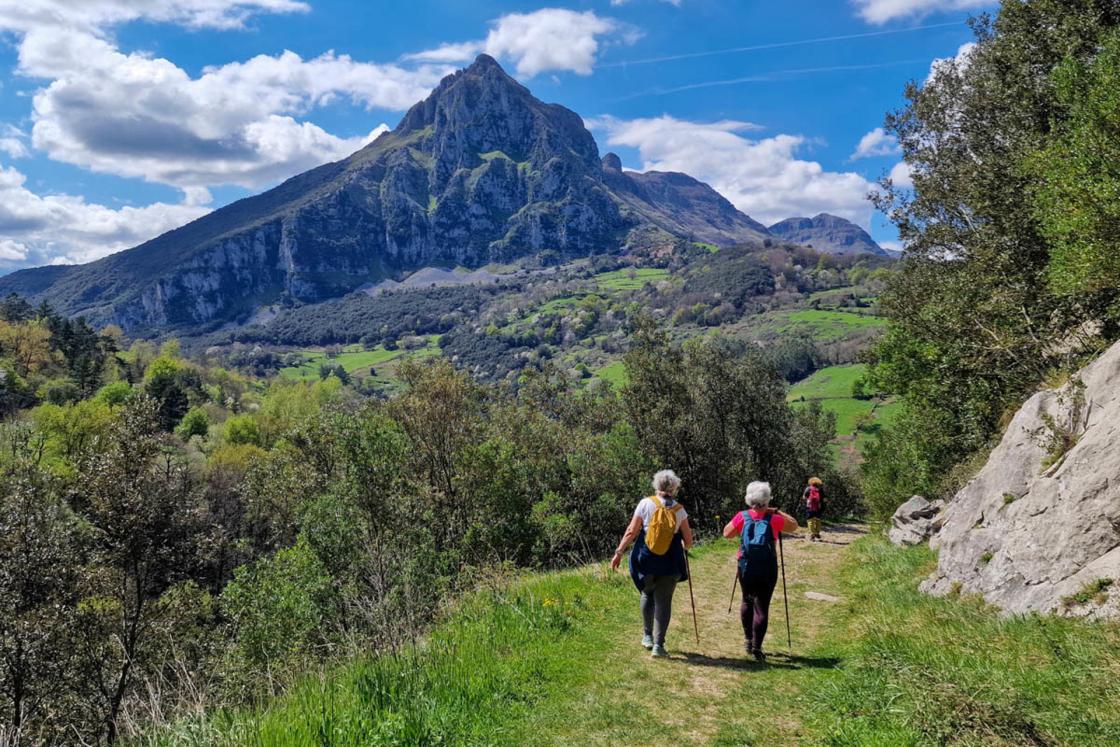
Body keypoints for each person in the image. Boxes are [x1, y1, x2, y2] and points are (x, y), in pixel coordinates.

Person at [611, 469, 693, 658]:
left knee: (647, 592)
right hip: (670, 560)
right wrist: (683, 544)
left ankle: (647, 636)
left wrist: (619, 552)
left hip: (645, 556)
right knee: (664, 600)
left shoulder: (645, 503)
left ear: (656, 486)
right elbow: (688, 541)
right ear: (674, 488)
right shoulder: (679, 510)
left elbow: (632, 531)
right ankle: (658, 645)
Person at [722, 481, 798, 660]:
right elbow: (794, 525)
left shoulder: (742, 516)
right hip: (767, 567)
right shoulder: (775, 519)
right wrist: (776, 511)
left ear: (749, 498)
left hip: (746, 566)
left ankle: (748, 640)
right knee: (762, 607)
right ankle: (757, 647)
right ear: (767, 499)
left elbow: (726, 533)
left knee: (747, 601)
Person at [804, 477, 824, 541]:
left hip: (809, 507)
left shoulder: (808, 488)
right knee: (818, 520)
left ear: (810, 482)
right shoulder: (820, 489)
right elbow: (825, 499)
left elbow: (804, 497)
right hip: (818, 507)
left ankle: (812, 533)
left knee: (810, 521)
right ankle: (817, 532)